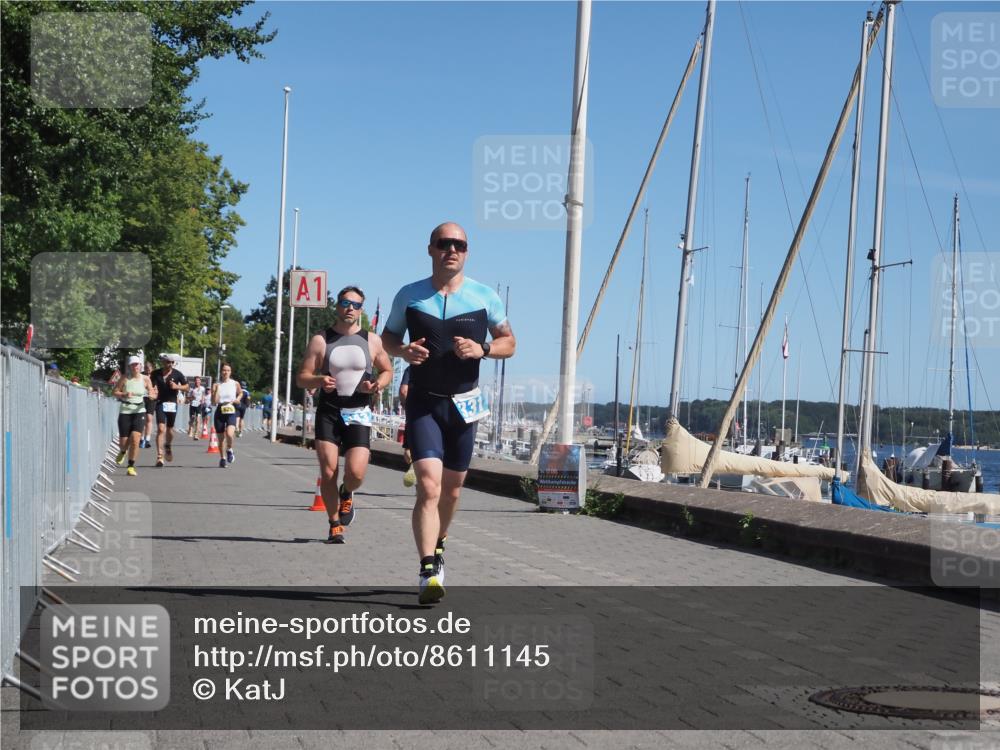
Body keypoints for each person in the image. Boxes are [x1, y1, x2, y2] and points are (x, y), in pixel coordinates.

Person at [382, 222, 515, 603]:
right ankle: (427, 570)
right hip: (424, 400)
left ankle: (439, 543)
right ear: (431, 249)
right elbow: (388, 338)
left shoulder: (484, 296)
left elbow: (510, 342)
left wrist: (483, 350)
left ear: (467, 252)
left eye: (459, 244)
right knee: (428, 485)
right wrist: (403, 352)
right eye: (444, 243)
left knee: (452, 491)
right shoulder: (410, 296)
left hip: (464, 404)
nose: (451, 250)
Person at [297, 286, 393, 544]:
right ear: (337, 306)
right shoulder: (321, 339)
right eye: (345, 302)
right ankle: (334, 523)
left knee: (356, 473)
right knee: (328, 471)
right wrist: (318, 379)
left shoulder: (372, 340)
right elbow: (302, 378)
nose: (351, 308)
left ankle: (347, 492)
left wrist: (377, 385)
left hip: (359, 412)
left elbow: (387, 370)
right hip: (329, 411)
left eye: (356, 304)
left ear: (361, 309)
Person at [113, 355, 154, 476]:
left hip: (139, 410)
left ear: (140, 366)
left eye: (137, 364)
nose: (136, 366)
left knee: (136, 439)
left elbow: (152, 392)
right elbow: (114, 392)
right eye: (133, 364)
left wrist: (153, 395)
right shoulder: (125, 378)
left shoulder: (146, 379)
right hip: (125, 411)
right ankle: (123, 451)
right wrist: (124, 394)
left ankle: (131, 466)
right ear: (130, 366)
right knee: (124, 442)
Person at [151, 353, 189, 467]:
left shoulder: (177, 374)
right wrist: (153, 391)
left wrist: (177, 387)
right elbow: (151, 386)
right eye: (168, 362)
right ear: (163, 362)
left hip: (172, 403)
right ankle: (159, 456)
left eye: (172, 363)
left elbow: (187, 387)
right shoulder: (155, 373)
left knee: (170, 429)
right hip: (160, 403)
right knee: (161, 429)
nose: (170, 364)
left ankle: (168, 444)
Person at [212, 363, 243, 468]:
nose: (226, 372)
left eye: (228, 370)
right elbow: (214, 402)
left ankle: (229, 449)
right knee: (220, 439)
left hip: (231, 409)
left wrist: (237, 399)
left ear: (230, 372)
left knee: (229, 434)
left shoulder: (235, 383)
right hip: (220, 410)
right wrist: (216, 390)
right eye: (224, 370)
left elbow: (241, 393)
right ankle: (222, 458)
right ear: (221, 372)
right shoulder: (217, 384)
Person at [399, 366, 416, 488]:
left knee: (409, 450)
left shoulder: (411, 369)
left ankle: (414, 466)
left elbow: (403, 391)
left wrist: (407, 406)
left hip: (414, 413)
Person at [141, 361, 158, 448]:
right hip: (142, 398)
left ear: (152, 368)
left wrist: (155, 393)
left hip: (151, 399)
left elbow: (157, 388)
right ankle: (141, 438)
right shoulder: (141, 375)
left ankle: (147, 439)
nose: (147, 370)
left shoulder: (155, 376)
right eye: (146, 368)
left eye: (149, 368)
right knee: (142, 418)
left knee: (149, 418)